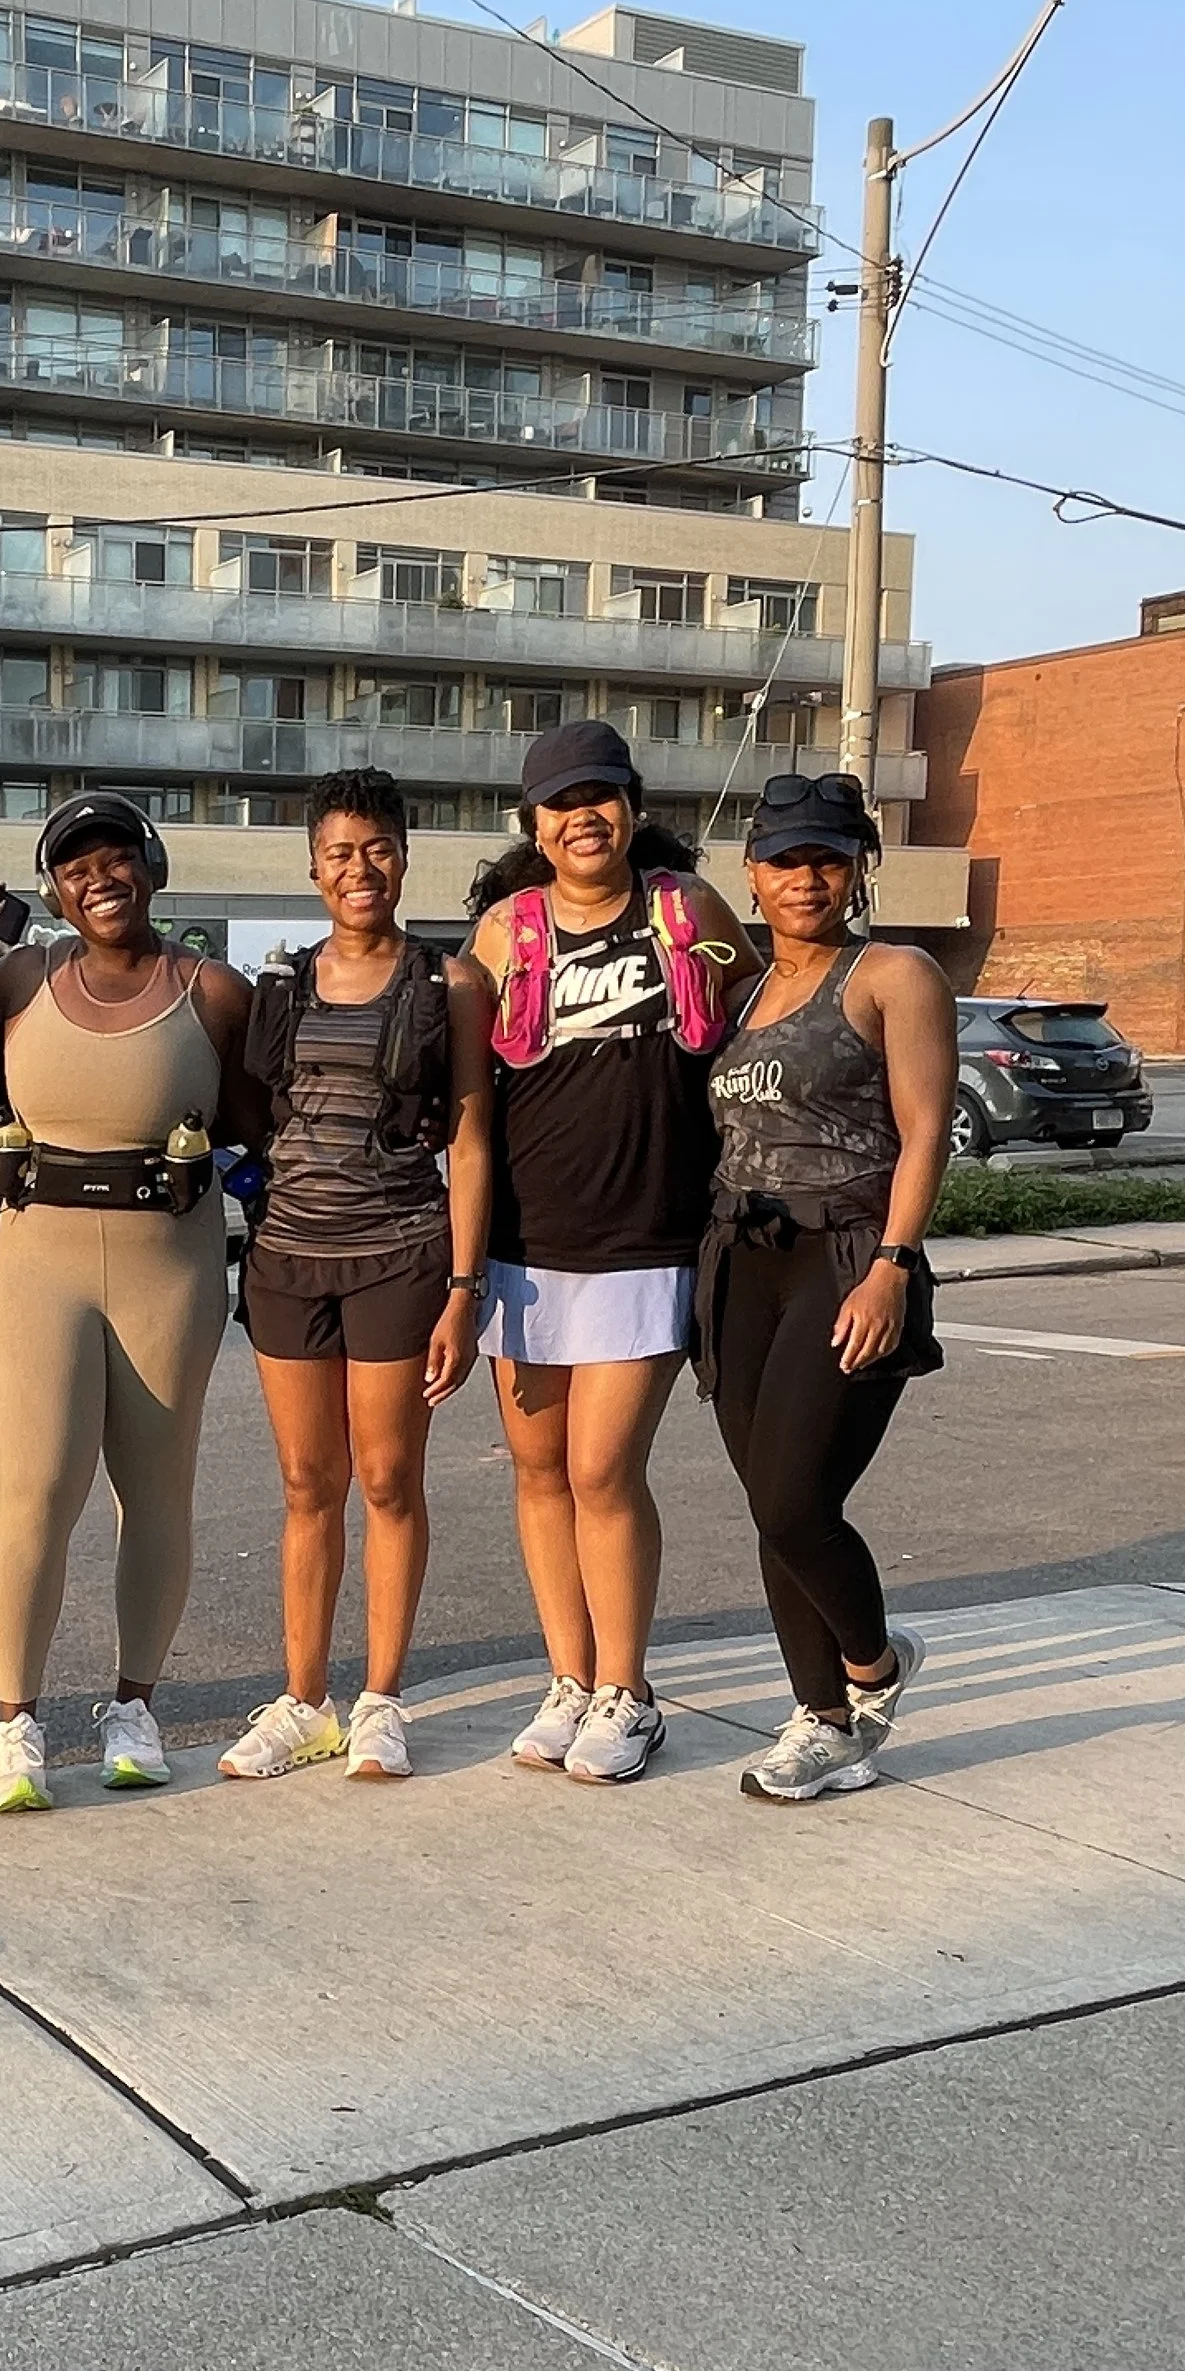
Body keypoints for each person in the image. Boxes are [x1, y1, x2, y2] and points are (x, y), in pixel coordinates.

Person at [0, 794, 254, 1813]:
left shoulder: (211, 990)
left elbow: (259, 1119)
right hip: (42, 1260)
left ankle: (133, 1708)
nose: (99, 878)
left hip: (174, 1258)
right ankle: (14, 1725)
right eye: (75, 868)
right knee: (33, 1494)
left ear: (151, 869)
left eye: (117, 860)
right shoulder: (21, 977)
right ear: (54, 891)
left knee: (155, 1493)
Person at [466, 721, 749, 1785]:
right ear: (532, 825)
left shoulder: (687, 912)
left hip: (647, 1240)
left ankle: (630, 1692)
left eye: (600, 795)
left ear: (631, 806)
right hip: (525, 1248)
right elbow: (467, 1098)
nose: (581, 816)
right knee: (537, 1471)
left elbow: (763, 1013)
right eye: (559, 802)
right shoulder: (505, 932)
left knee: (600, 1468)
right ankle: (570, 1679)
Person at [221, 769, 495, 1787]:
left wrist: (464, 1289)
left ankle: (379, 1698)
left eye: (375, 847)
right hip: (289, 1259)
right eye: (338, 851)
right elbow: (257, 1123)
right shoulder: (280, 985)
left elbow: (468, 1140)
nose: (358, 868)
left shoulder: (445, 984)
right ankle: (303, 1701)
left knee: (384, 1478)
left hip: (398, 1255)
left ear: (402, 855)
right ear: (311, 865)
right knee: (306, 1483)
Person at [697, 772, 953, 1799]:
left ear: (857, 868)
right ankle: (818, 1720)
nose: (806, 878)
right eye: (785, 860)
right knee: (769, 1505)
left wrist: (892, 1266)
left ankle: (873, 1670)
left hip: (846, 1256)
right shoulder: (740, 993)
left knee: (799, 1498)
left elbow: (926, 1131)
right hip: (738, 1268)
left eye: (827, 858)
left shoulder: (891, 972)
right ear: (751, 875)